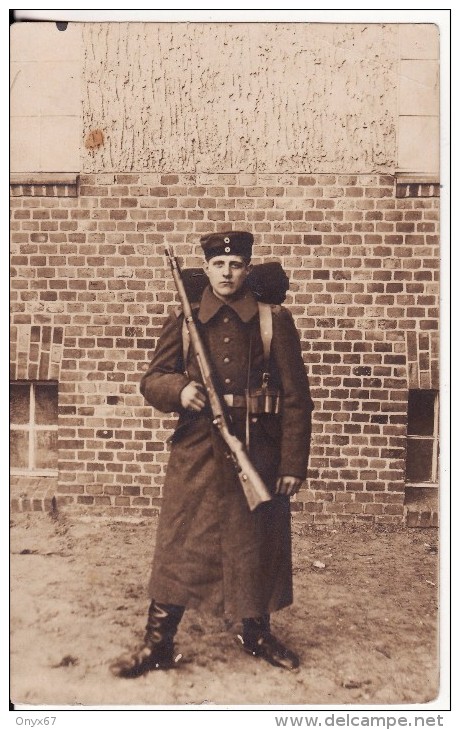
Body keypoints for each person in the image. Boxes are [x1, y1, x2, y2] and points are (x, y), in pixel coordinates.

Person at [110, 230, 313, 678]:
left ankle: (256, 633)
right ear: (206, 270)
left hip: (257, 451)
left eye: (236, 264)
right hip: (197, 452)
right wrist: (179, 389)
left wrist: (293, 464)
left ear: (247, 269)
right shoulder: (185, 321)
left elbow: (297, 398)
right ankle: (158, 643)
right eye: (219, 265)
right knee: (180, 545)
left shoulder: (272, 320)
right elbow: (152, 379)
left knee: (257, 544)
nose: (227, 272)